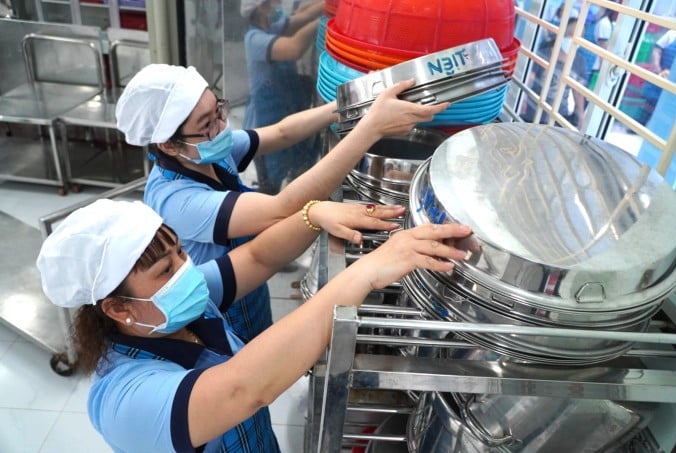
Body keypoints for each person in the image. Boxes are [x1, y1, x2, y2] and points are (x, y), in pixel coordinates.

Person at [36, 198, 472, 452]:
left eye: (182, 254)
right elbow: (244, 389)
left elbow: (257, 258)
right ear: (117, 309)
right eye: (166, 270)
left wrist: (313, 214)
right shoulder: (122, 399)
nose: (186, 271)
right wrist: (369, 271)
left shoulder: (175, 309)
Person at [115, 64, 448, 343]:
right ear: (169, 146)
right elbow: (281, 207)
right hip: (222, 303)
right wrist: (370, 128)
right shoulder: (175, 199)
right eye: (206, 125)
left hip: (251, 287)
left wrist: (349, 105)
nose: (221, 127)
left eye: (218, 110)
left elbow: (282, 132)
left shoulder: (207, 152)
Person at [241, 0, 326, 194]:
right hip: (264, 118)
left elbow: (302, 16)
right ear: (261, 8)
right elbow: (293, 48)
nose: (278, 4)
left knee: (291, 168)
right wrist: (325, 21)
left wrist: (329, 5)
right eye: (274, 2)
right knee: (271, 179)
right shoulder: (254, 39)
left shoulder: (272, 28)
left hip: (284, 109)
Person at [521, 17, 587, 128]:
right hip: (533, 112)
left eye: (576, 37)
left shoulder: (580, 62)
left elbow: (578, 92)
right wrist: (522, 99)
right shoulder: (544, 53)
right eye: (569, 34)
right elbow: (529, 78)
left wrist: (580, 115)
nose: (571, 39)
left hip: (558, 116)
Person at [641, 29, 676, 125]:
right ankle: (640, 123)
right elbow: (657, 50)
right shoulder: (671, 34)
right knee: (650, 101)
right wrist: (658, 70)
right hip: (660, 75)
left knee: (668, 107)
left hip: (675, 83)